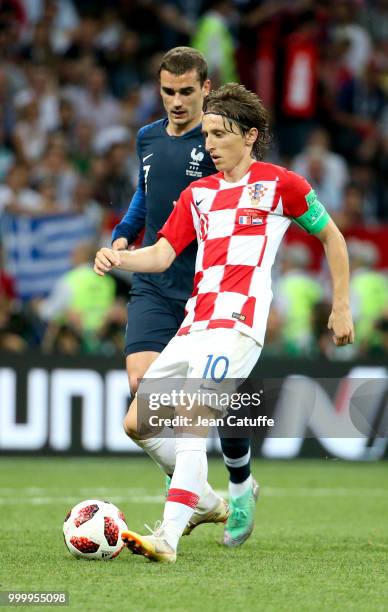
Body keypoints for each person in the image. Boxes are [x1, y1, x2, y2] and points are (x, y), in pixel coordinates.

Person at [95, 82, 355, 563]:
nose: (209, 144)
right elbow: (162, 254)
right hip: (195, 323)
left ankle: (167, 538)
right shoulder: (198, 194)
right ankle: (209, 500)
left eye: (219, 134)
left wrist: (340, 305)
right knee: (137, 424)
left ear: (250, 136)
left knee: (193, 417)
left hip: (239, 324)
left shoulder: (283, 184)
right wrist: (119, 258)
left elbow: (333, 238)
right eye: (207, 135)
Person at [111, 47, 257, 548]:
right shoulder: (147, 137)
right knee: (144, 392)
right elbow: (144, 194)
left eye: (186, 92)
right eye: (168, 92)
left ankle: (239, 489)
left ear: (206, 89)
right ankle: (204, 497)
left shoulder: (220, 141)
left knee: (217, 405)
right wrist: (122, 235)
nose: (176, 101)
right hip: (154, 281)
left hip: (207, 288)